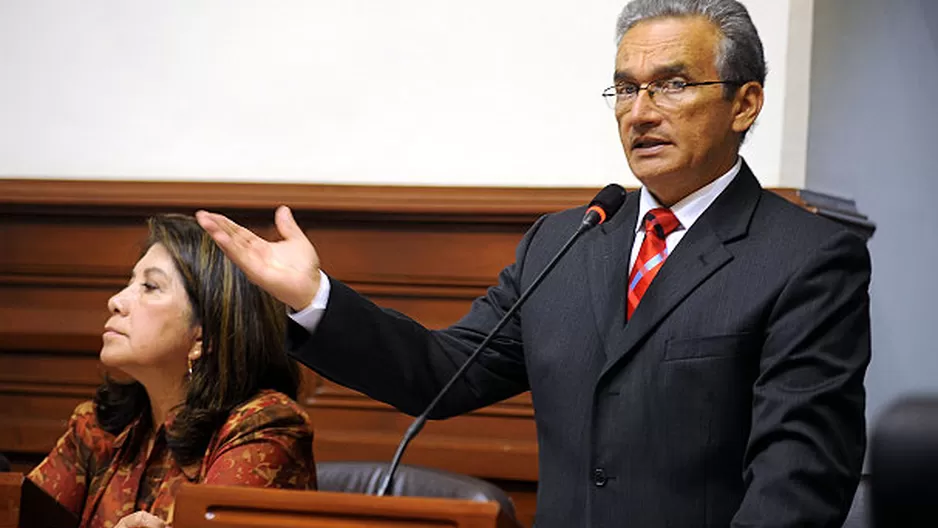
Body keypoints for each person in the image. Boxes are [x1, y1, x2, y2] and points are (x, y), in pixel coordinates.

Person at [196, 0, 871, 525]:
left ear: (744, 102)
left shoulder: (806, 259)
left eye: (671, 86)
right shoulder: (567, 241)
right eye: (625, 90)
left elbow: (799, 481)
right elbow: (443, 372)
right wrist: (316, 297)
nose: (640, 113)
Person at [29, 214, 316, 528]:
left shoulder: (264, 425)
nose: (116, 301)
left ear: (202, 337)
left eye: (150, 287)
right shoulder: (97, 427)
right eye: (129, 283)